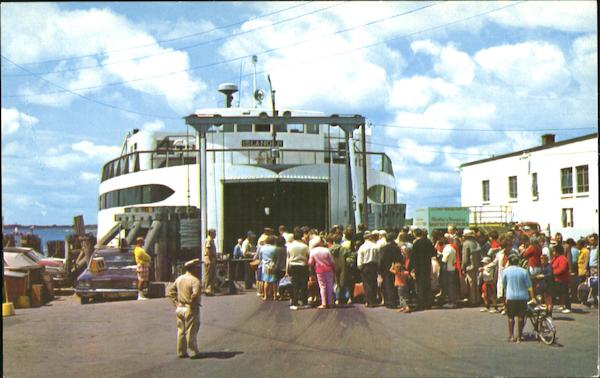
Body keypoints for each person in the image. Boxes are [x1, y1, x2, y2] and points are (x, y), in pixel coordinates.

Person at [167, 258, 201, 359]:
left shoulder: (179, 279)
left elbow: (171, 292)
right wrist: (193, 303)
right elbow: (195, 295)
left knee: (181, 330)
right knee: (191, 331)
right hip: (190, 308)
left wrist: (176, 303)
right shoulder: (195, 281)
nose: (198, 269)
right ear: (192, 268)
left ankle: (181, 351)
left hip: (180, 308)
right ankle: (193, 352)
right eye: (197, 267)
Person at [502, 254, 535, 343]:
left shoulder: (505, 271)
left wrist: (504, 296)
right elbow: (529, 286)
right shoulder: (524, 271)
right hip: (523, 296)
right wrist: (533, 297)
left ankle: (511, 336)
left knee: (511, 317)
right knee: (521, 317)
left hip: (511, 296)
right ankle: (519, 337)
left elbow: (504, 284)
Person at [409, 228, 436, 311]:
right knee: (427, 283)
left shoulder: (416, 243)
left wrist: (411, 268)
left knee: (420, 285)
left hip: (418, 266)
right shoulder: (428, 242)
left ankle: (421, 303)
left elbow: (413, 256)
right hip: (427, 265)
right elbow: (433, 253)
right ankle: (428, 302)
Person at [308, 236, 336, 309]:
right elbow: (332, 261)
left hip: (319, 270)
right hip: (329, 269)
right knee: (330, 285)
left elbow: (310, 263)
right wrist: (334, 268)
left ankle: (324, 303)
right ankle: (330, 302)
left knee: (322, 286)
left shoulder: (313, 251)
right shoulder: (326, 250)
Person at [287, 229, 310, 310]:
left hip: (293, 265)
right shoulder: (305, 246)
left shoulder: (290, 246)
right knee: (304, 284)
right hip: (303, 265)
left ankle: (294, 303)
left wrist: (287, 269)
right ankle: (305, 302)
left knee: (295, 285)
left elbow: (288, 257)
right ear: (301, 237)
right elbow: (308, 255)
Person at [357, 231, 381, 307]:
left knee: (367, 284)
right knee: (374, 282)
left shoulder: (362, 247)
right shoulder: (375, 246)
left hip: (365, 266)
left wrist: (360, 267)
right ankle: (374, 300)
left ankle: (368, 301)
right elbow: (378, 257)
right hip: (374, 266)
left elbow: (360, 258)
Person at [379, 232, 401, 309]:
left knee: (388, 285)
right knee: (395, 285)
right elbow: (400, 258)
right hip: (396, 268)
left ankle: (390, 302)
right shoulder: (397, 248)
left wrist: (380, 270)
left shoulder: (384, 248)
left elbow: (381, 260)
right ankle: (396, 300)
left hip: (386, 269)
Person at [461, 229, 482, 307]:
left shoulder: (466, 244)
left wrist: (463, 267)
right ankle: (477, 299)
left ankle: (472, 301)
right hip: (477, 266)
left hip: (470, 266)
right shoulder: (476, 243)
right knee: (476, 284)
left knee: (471, 284)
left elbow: (465, 257)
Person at [551, 244, 571, 314]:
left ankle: (568, 307)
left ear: (557, 251)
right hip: (556, 279)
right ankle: (558, 305)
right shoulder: (555, 258)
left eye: (554, 251)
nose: (552, 252)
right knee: (557, 294)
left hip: (562, 280)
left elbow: (562, 269)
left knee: (565, 293)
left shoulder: (563, 258)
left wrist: (553, 272)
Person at [440, 234, 458, 308]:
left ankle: (451, 302)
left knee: (449, 286)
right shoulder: (452, 248)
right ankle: (453, 301)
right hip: (452, 268)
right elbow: (454, 260)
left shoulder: (446, 249)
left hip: (447, 269)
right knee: (452, 285)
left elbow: (444, 259)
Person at [259, 235, 278, 301]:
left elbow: (260, 257)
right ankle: (275, 295)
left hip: (265, 266)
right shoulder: (275, 248)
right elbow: (276, 257)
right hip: (272, 265)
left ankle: (265, 295)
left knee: (266, 281)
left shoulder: (262, 248)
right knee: (274, 281)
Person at [202, 229, 217, 296]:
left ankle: (210, 289)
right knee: (208, 275)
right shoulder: (209, 240)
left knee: (212, 275)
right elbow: (208, 250)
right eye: (214, 233)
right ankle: (207, 289)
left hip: (212, 259)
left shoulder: (212, 240)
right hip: (209, 259)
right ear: (211, 233)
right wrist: (211, 256)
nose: (215, 234)